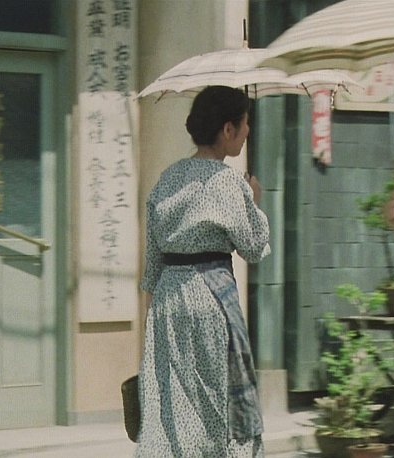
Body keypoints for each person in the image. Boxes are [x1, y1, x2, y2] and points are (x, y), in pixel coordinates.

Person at [135, 85, 270, 457]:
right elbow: (253, 248)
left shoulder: (168, 177)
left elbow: (152, 262)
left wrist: (152, 317)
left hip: (167, 300)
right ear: (227, 129)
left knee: (173, 404)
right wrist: (254, 202)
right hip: (210, 298)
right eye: (244, 124)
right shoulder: (228, 182)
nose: (247, 132)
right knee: (216, 400)